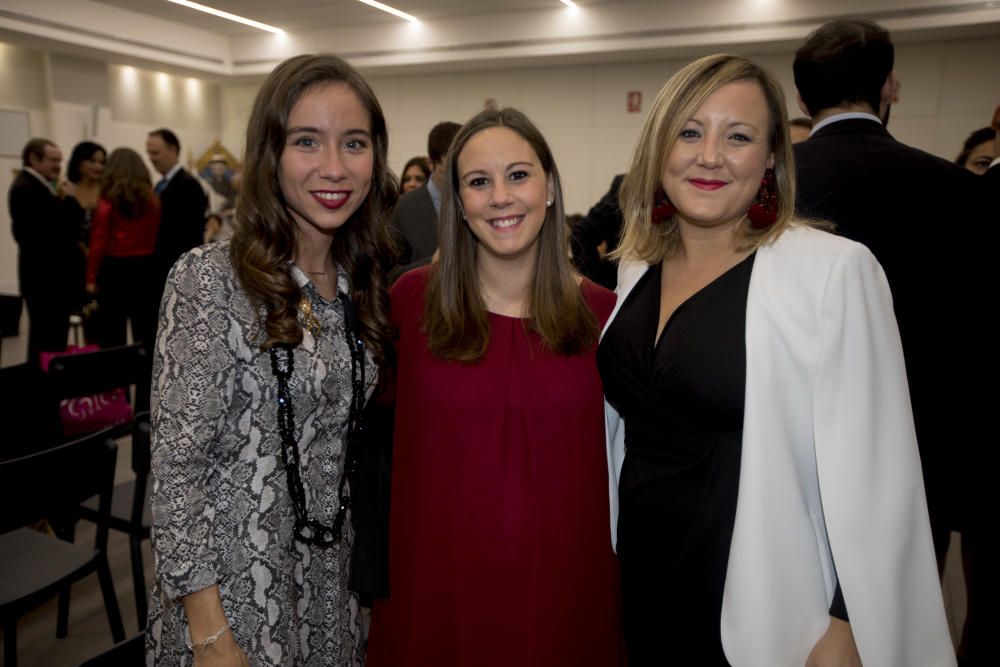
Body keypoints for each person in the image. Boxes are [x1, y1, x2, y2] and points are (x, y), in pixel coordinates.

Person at [598, 53, 952, 666]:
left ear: (769, 160)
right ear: (659, 148)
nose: (710, 155)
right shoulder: (636, 269)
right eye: (689, 131)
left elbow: (881, 466)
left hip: (763, 592)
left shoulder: (831, 271)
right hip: (646, 574)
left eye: (738, 137)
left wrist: (847, 624)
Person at [146, 53, 396, 666]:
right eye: (307, 141)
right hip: (228, 599)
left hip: (331, 592)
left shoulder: (360, 285)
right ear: (270, 154)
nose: (334, 167)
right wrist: (209, 635)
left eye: (354, 143)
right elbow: (177, 476)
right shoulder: (209, 280)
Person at [367, 108, 624, 666]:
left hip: (568, 600)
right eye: (479, 182)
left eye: (519, 175)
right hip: (437, 594)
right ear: (458, 203)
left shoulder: (606, 319)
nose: (500, 197)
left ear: (551, 187)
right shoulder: (410, 305)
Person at [8, 137, 85, 366]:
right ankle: (44, 394)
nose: (58, 165)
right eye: (53, 160)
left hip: (44, 280)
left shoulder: (35, 186)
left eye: (60, 160)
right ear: (34, 159)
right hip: (46, 281)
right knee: (47, 342)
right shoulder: (27, 188)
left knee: (47, 340)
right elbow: (60, 231)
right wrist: (71, 200)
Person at [86, 147, 161, 357]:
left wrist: (91, 277)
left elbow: (99, 240)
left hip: (115, 271)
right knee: (146, 335)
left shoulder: (108, 201)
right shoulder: (152, 199)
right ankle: (146, 388)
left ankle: (117, 388)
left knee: (112, 337)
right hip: (146, 269)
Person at [388, 121, 461, 280]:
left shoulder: (473, 201)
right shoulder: (403, 207)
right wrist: (431, 264)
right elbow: (390, 273)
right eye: (446, 172)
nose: (455, 180)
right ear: (430, 165)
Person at [147, 127, 209, 295]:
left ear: (173, 150)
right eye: (149, 153)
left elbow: (192, 233)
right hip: (160, 267)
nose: (151, 159)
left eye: (155, 153)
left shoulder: (188, 185)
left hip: (176, 269)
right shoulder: (161, 184)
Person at [65, 140, 107, 246]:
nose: (98, 167)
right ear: (78, 162)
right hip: (73, 252)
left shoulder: (107, 190)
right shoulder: (66, 190)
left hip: (103, 251)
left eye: (102, 163)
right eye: (92, 161)